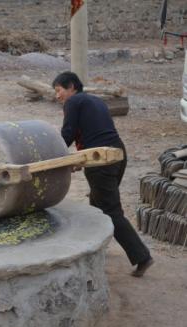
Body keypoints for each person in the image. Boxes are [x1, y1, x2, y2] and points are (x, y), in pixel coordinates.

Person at [52, 71, 154, 277]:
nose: (57, 95)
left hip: (101, 159)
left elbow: (68, 134)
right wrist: (79, 159)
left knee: (110, 209)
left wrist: (54, 157)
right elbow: (93, 132)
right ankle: (95, 248)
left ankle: (142, 256)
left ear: (71, 87)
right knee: (97, 206)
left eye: (59, 90)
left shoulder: (73, 102)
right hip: (117, 153)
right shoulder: (94, 100)